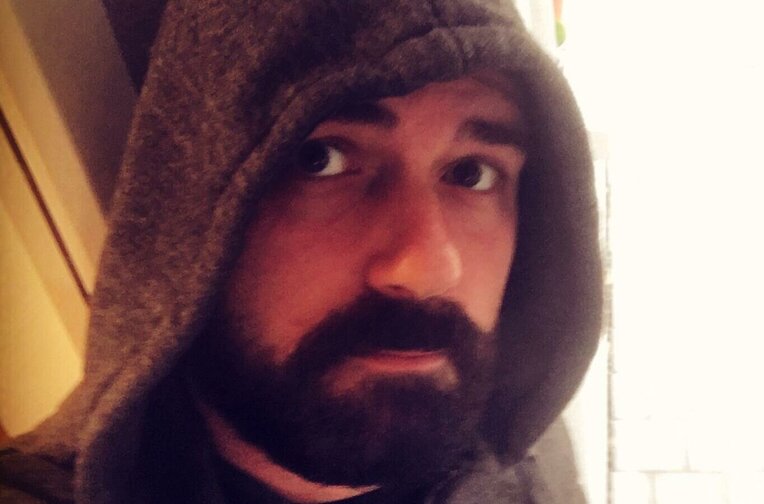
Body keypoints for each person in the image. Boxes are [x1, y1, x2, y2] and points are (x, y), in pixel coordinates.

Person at [0, 1, 601, 502]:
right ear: (188, 208)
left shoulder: (523, 450)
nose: (427, 268)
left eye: (471, 173)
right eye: (321, 159)